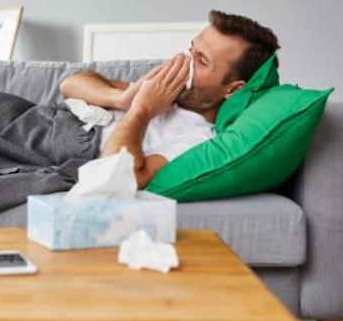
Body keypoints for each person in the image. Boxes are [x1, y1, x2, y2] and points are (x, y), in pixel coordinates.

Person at [60, 9, 280, 188]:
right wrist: (122, 98)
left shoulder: (198, 139)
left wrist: (141, 111)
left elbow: (117, 174)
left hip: (53, 149)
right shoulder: (162, 93)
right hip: (41, 119)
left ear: (232, 90)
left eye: (201, 60)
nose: (185, 61)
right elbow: (69, 84)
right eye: (191, 49)